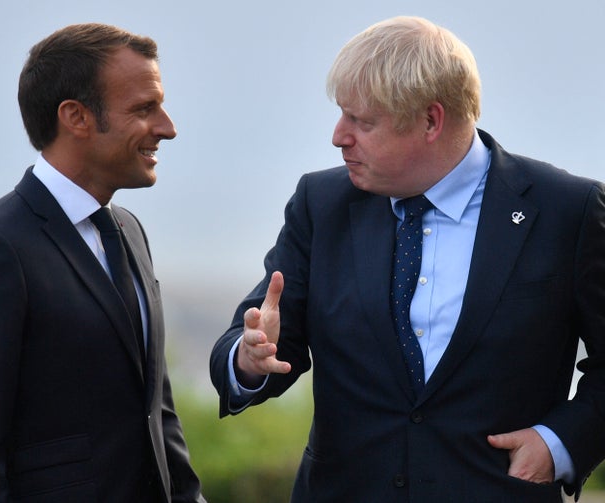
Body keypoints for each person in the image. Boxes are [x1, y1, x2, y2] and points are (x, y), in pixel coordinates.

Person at [210, 15, 605, 502]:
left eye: (362, 121)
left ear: (431, 121)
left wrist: (558, 443)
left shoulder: (567, 209)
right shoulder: (321, 203)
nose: (339, 136)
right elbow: (266, 334)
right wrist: (248, 358)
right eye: (341, 114)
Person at [0, 23, 205, 502]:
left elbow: (156, 413)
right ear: (76, 116)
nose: (167, 127)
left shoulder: (129, 231)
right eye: (144, 108)